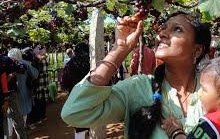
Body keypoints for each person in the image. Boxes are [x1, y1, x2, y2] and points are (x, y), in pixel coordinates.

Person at [61, 11, 211, 138]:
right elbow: (74, 112)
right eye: (163, 28)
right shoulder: (137, 87)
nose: (163, 33)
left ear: (197, 50)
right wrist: (119, 49)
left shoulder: (218, 89)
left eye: (177, 29)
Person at [60, 42, 90, 139]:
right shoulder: (92, 63)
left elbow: (63, 83)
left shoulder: (70, 64)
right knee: (92, 120)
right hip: (91, 95)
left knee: (79, 124)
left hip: (75, 96)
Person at [7, 48, 28, 139]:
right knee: (15, 119)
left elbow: (22, 67)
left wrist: (12, 75)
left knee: (16, 119)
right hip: (10, 94)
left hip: (11, 93)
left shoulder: (8, 61)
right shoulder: (7, 61)